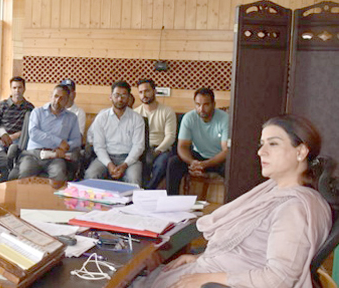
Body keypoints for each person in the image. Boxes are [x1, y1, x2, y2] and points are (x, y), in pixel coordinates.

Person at [141, 115, 330, 288]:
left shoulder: (294, 209)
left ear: (301, 151)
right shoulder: (275, 190)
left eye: (273, 144)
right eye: (261, 144)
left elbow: (279, 278)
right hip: (212, 270)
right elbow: (250, 250)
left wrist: (209, 278)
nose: (261, 152)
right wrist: (199, 259)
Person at [166, 88, 229, 195]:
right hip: (198, 156)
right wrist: (192, 162)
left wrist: (205, 164)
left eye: (206, 105)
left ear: (214, 104)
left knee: (232, 168)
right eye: (198, 105)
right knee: (174, 163)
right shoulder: (189, 118)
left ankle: (231, 204)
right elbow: (182, 146)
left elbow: (226, 151)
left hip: (218, 159)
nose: (201, 109)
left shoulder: (224, 119)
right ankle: (172, 200)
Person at [84, 80, 145, 185]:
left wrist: (125, 165)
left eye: (123, 95)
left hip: (129, 159)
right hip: (106, 157)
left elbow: (138, 146)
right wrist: (109, 164)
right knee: (91, 175)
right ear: (110, 97)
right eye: (116, 95)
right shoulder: (102, 118)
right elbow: (99, 146)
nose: (120, 99)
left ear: (129, 98)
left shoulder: (137, 119)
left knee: (134, 179)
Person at [17, 85, 81, 182]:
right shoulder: (37, 112)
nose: (57, 100)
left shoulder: (72, 118)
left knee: (59, 176)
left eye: (62, 98)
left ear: (67, 101)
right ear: (51, 96)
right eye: (55, 96)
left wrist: (64, 147)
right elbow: (34, 133)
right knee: (25, 175)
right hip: (34, 154)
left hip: (55, 156)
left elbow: (77, 140)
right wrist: (59, 142)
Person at [133, 79, 176, 189]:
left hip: (161, 149)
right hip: (141, 148)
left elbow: (170, 137)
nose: (144, 95)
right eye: (141, 92)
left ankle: (148, 190)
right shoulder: (135, 113)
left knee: (162, 163)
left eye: (147, 91)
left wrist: (157, 151)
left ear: (154, 91)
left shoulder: (167, 111)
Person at [0, 76, 35, 145]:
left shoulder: (29, 107)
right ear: (11, 89)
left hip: (20, 140)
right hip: (2, 139)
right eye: (14, 88)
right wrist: (3, 135)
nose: (17, 91)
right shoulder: (2, 105)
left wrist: (17, 135)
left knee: (17, 149)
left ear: (24, 89)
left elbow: (32, 127)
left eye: (20, 87)